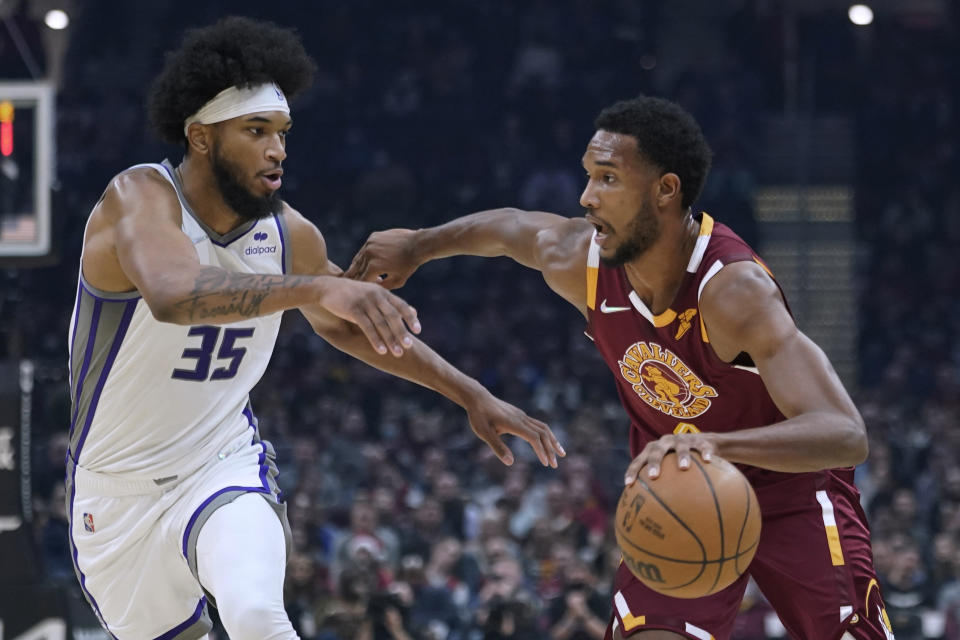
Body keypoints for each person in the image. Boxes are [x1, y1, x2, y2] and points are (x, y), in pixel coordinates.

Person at [66, 17, 563, 640]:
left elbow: (354, 328)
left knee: (255, 614)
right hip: (114, 492)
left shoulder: (289, 235)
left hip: (219, 465)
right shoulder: (137, 197)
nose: (277, 150)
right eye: (255, 132)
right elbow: (174, 294)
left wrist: (471, 394)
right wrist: (318, 285)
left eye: (282, 133)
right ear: (199, 137)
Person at [347, 95, 895, 639]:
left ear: (665, 190)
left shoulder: (732, 291)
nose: (586, 197)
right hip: (678, 494)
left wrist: (716, 447)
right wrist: (419, 245)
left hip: (792, 493)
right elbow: (509, 230)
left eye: (607, 178)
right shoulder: (581, 262)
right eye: (587, 176)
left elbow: (845, 434)